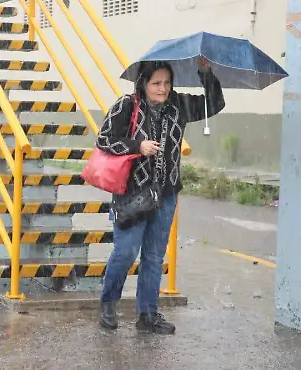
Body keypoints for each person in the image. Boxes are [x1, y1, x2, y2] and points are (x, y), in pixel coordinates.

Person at [96, 59, 225, 334]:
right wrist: (136, 145)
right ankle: (108, 302)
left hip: (166, 194)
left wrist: (205, 72)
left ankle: (148, 314)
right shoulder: (127, 105)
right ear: (143, 82)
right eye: (156, 83)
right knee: (126, 251)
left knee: (154, 256)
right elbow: (104, 139)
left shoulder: (178, 105)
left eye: (167, 82)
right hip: (131, 194)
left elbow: (213, 104)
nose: (162, 88)